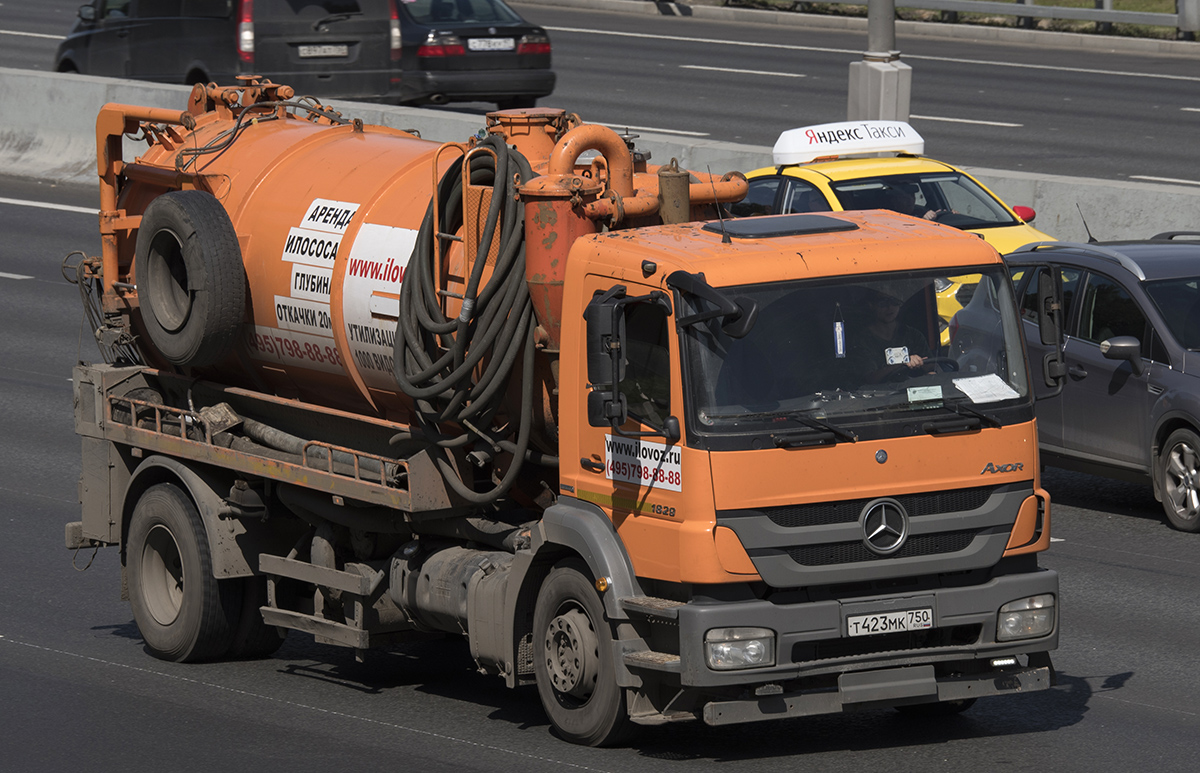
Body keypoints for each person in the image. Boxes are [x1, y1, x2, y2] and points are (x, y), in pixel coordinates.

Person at [846, 290, 934, 385]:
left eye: (894, 302)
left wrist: (920, 364)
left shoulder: (913, 335)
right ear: (871, 305)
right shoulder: (862, 340)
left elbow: (932, 367)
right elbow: (870, 379)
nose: (890, 307)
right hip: (879, 397)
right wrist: (903, 363)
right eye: (882, 303)